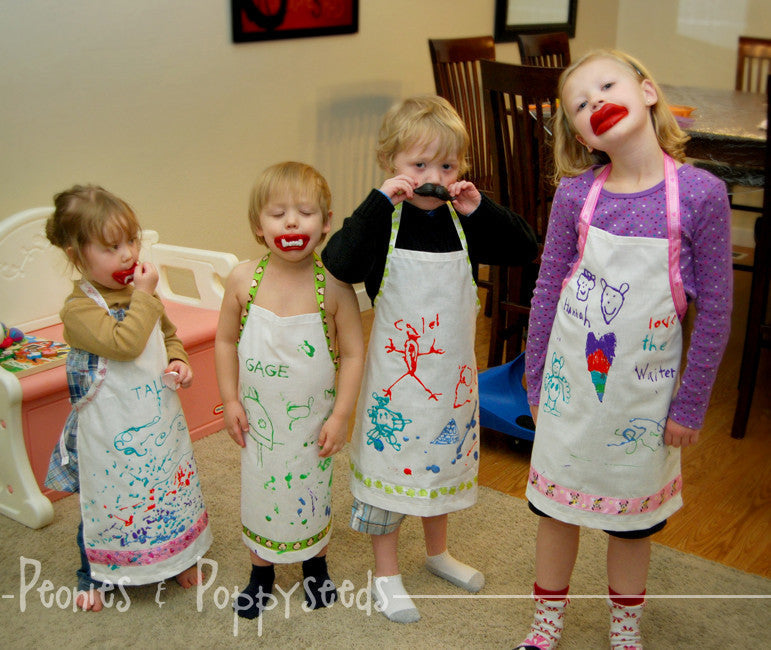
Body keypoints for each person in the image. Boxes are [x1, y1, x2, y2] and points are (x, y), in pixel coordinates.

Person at [517, 50, 733, 650]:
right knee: (557, 510)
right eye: (580, 105)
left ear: (647, 91)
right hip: (569, 390)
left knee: (632, 521)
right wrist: (535, 382)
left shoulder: (701, 196)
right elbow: (545, 293)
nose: (597, 104)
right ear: (578, 133)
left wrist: (690, 406)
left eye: (607, 87)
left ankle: (625, 631)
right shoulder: (574, 197)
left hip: (644, 400)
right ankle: (545, 624)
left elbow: (714, 312)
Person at [321, 95, 538, 623]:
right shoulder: (382, 224)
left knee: (439, 472)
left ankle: (438, 552)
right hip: (397, 387)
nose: (433, 177)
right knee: (390, 476)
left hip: (451, 386)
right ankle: (387, 573)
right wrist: (379, 202)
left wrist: (478, 206)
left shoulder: (462, 223)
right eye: (418, 165)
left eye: (446, 165)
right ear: (391, 165)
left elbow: (526, 246)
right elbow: (337, 261)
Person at [44, 184, 213, 612]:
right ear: (76, 255)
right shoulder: (78, 310)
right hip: (110, 432)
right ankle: (93, 574)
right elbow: (126, 343)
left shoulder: (144, 295)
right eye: (110, 247)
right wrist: (145, 297)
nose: (127, 254)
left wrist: (179, 361)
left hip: (156, 420)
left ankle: (176, 556)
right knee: (107, 502)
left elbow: (166, 336)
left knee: (166, 490)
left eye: (131, 241)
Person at [215, 161, 365, 619]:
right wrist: (229, 399)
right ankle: (260, 571)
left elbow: (356, 354)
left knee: (311, 492)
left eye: (305, 212)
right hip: (259, 422)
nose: (292, 222)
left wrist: (341, 416)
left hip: (311, 424)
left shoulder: (335, 287)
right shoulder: (243, 279)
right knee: (260, 491)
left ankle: (314, 563)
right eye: (278, 213)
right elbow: (224, 340)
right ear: (259, 226)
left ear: (325, 224)